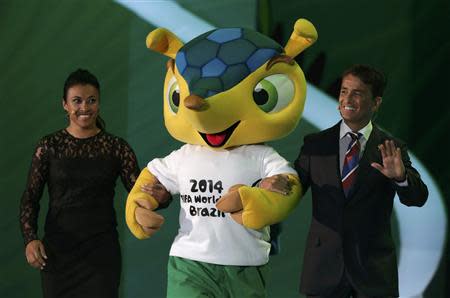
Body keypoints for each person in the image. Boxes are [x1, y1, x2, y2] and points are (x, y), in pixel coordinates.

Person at [19, 69, 169, 298]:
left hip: (101, 254)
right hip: (57, 254)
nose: (85, 108)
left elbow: (139, 192)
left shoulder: (117, 147)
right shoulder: (49, 146)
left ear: (98, 103)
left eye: (91, 100)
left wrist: (163, 196)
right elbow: (30, 196)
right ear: (65, 105)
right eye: (76, 101)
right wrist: (30, 239)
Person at [289, 64, 428, 298]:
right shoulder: (315, 144)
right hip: (324, 270)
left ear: (376, 103)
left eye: (358, 93)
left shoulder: (391, 148)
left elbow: (418, 198)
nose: (347, 99)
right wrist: (272, 186)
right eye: (344, 91)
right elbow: (292, 187)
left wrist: (401, 178)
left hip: (372, 273)